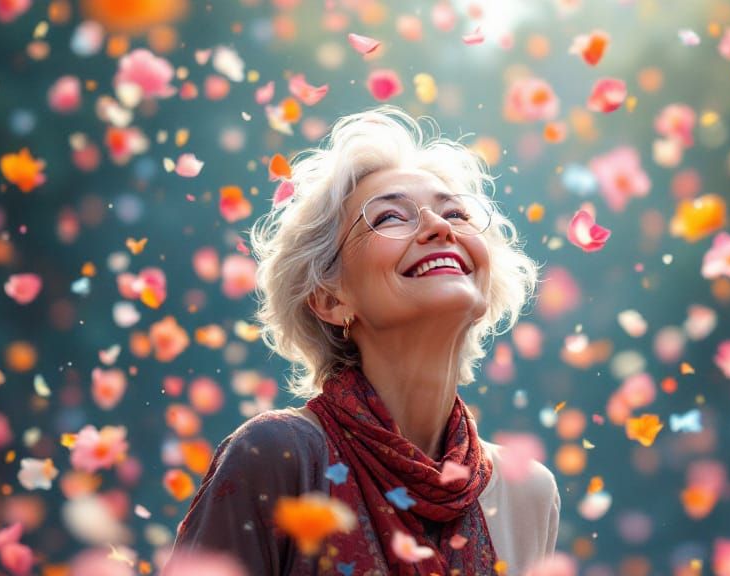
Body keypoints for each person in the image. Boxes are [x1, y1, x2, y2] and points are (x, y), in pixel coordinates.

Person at [166, 105, 558, 575]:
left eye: (455, 212)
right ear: (331, 299)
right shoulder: (277, 455)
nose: (440, 226)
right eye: (392, 216)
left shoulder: (529, 492)